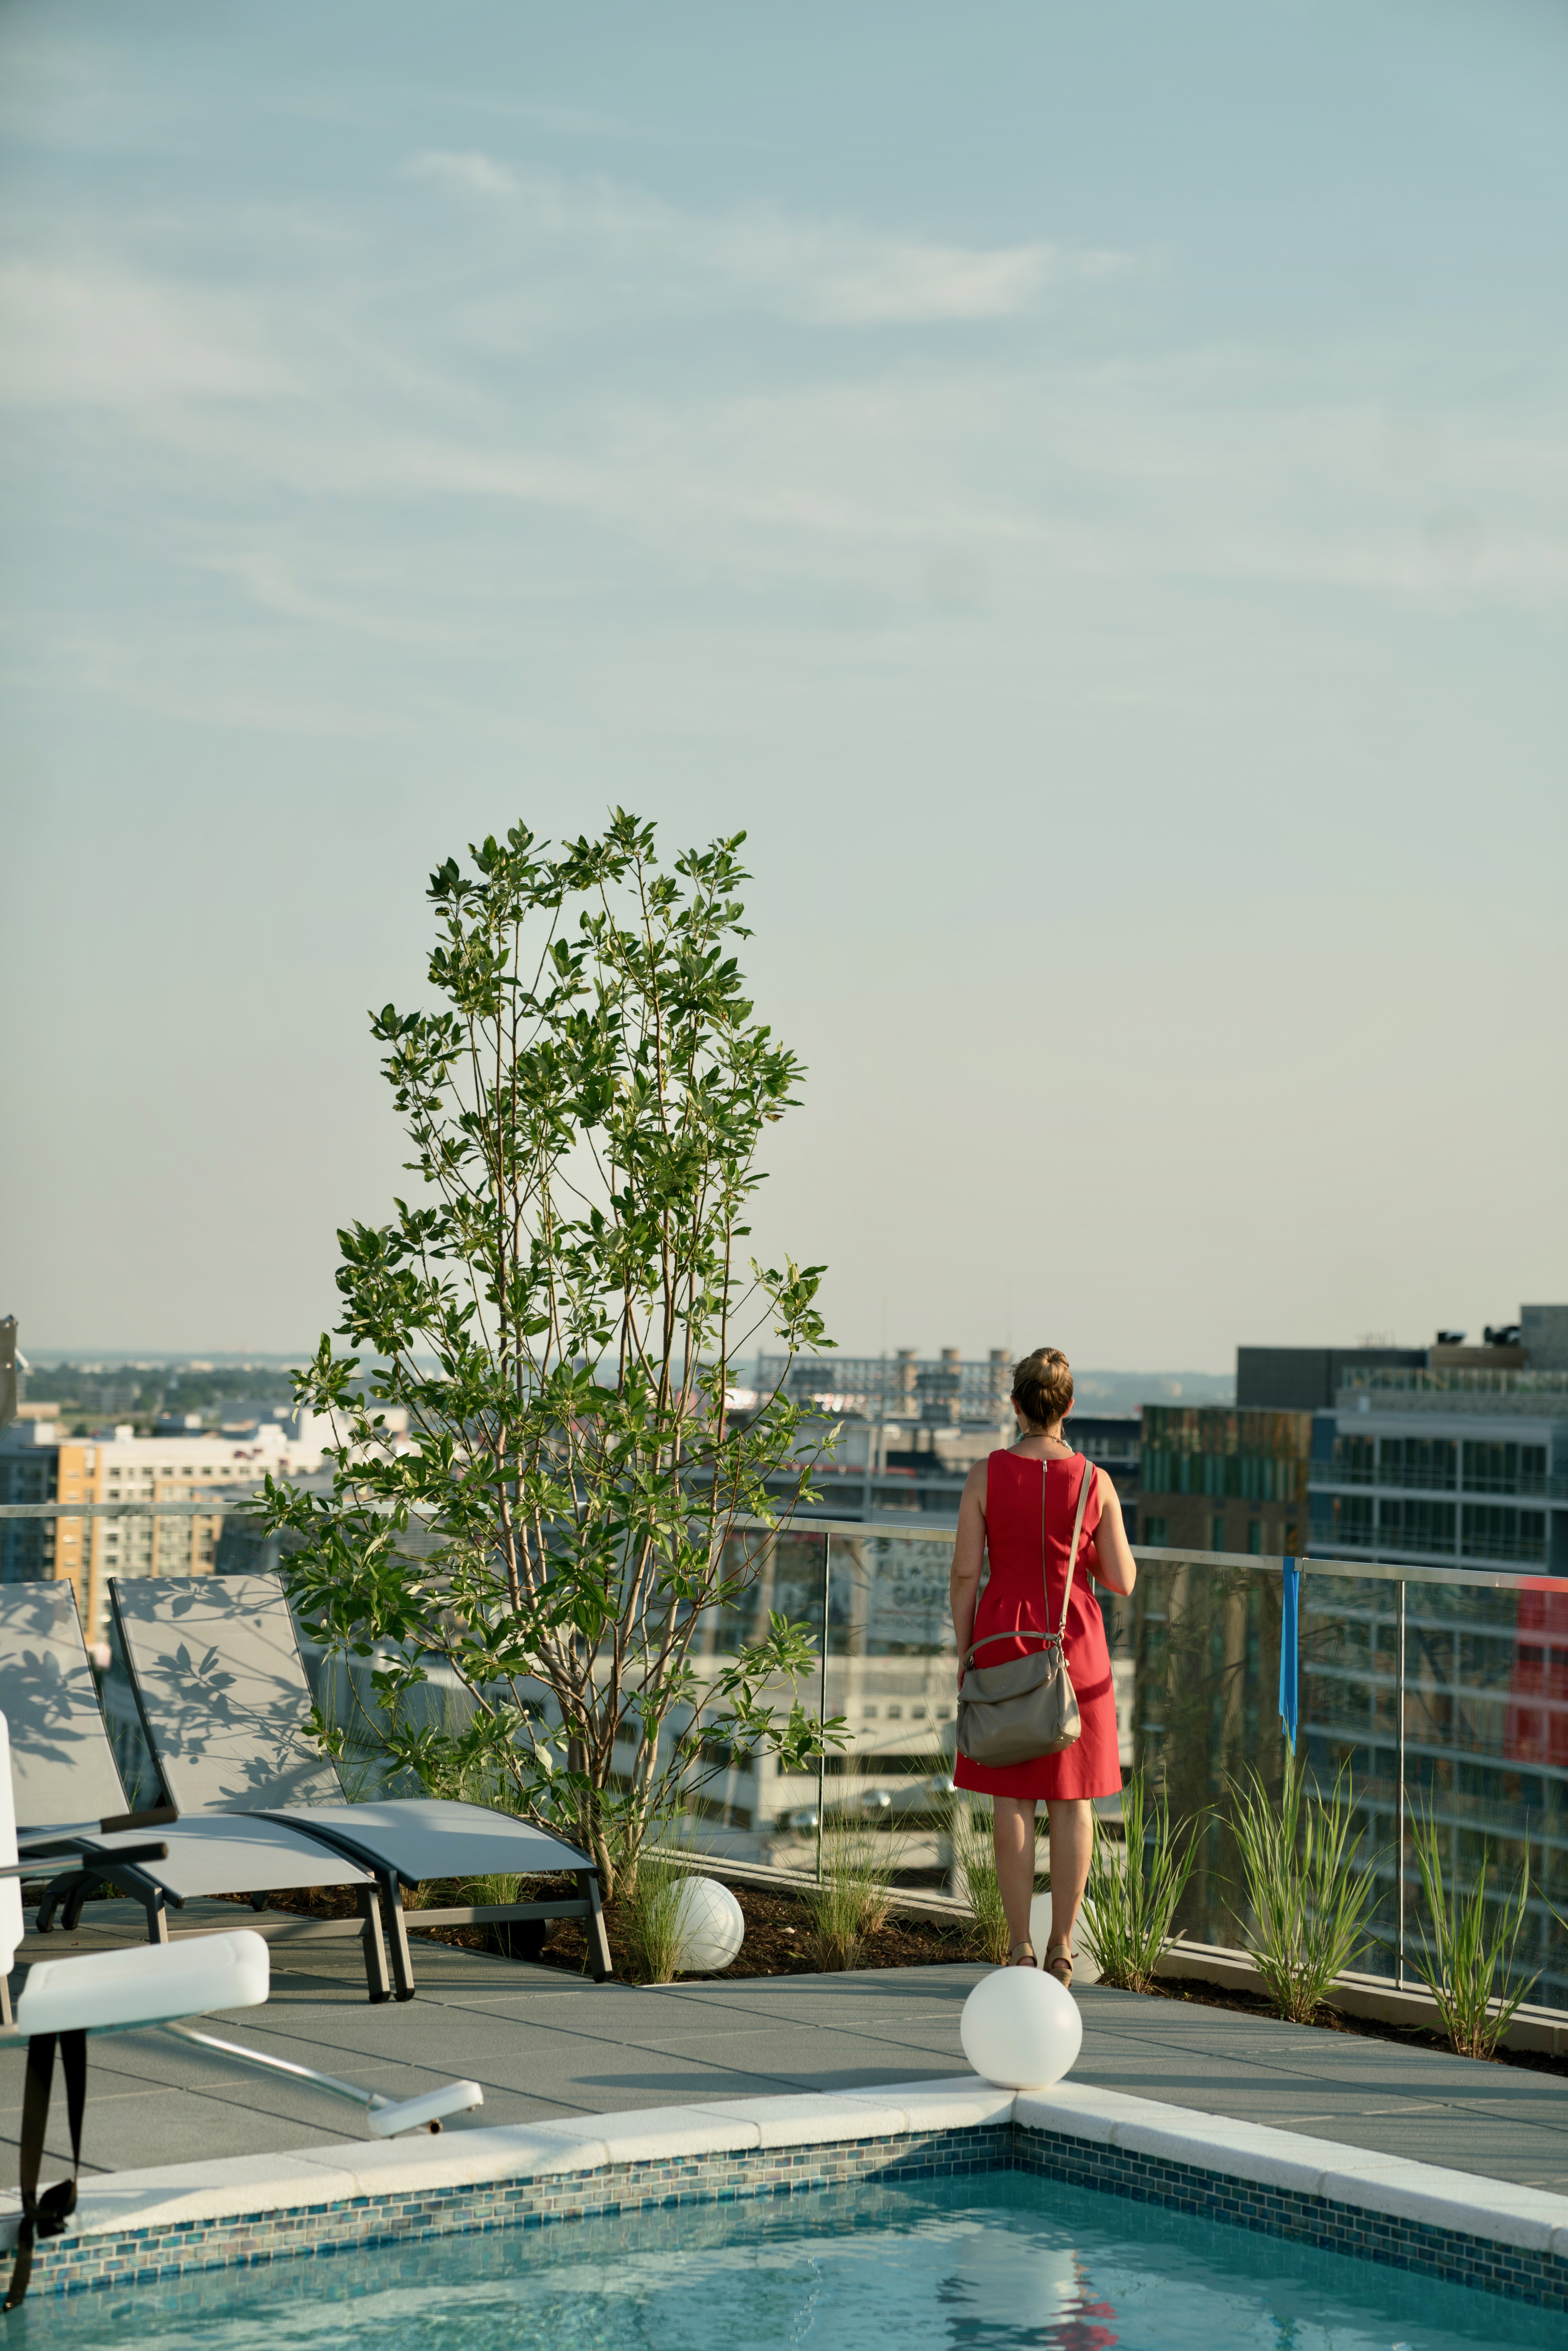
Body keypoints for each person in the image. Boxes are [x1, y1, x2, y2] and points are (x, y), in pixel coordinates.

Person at [949, 1346, 1137, 1984]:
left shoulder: (985, 1474)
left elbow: (966, 1573)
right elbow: (1125, 1579)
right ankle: (1061, 1946)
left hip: (1003, 1638)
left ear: (1016, 1405)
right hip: (1073, 1645)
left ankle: (1017, 1947)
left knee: (1012, 1798)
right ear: (1069, 1408)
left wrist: (965, 1650)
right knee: (1073, 1802)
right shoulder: (1095, 1481)